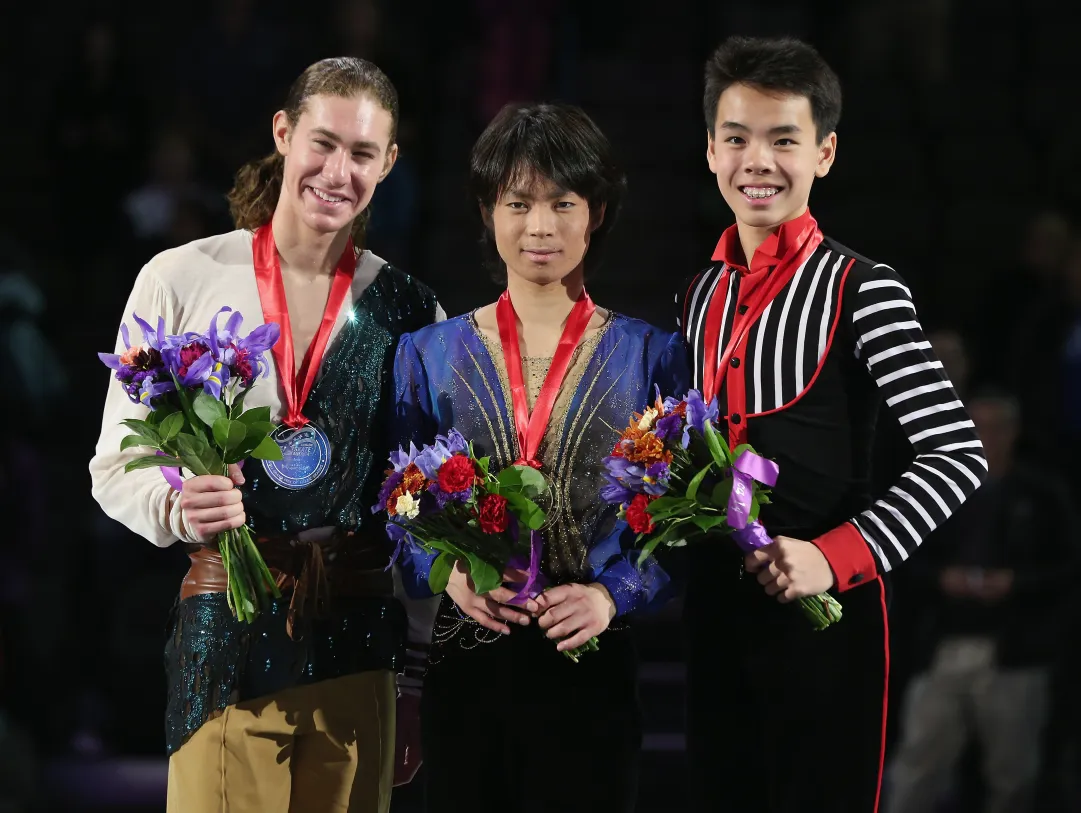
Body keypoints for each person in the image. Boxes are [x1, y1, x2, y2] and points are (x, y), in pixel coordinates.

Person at [89, 57, 441, 813]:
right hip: (226, 629)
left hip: (360, 633)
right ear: (283, 133)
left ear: (389, 163)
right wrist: (178, 504)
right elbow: (116, 462)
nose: (337, 171)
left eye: (362, 153)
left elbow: (426, 507)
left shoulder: (410, 309)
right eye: (322, 142)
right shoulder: (180, 276)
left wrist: (414, 676)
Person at [674, 36, 987, 812]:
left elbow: (957, 453)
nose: (758, 160)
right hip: (715, 617)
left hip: (829, 624)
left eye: (784, 140)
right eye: (738, 138)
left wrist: (833, 557)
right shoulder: (697, 296)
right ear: (710, 149)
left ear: (825, 153)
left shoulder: (864, 287)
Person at [391, 102, 688, 812]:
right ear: (488, 211)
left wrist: (611, 594)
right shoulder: (426, 355)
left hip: (591, 658)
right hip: (467, 654)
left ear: (597, 212)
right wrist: (451, 572)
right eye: (517, 203)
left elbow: (680, 528)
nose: (540, 227)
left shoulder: (652, 355)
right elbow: (395, 513)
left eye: (563, 202)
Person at [886, 390, 1080, 813]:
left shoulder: (1042, 494)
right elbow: (901, 557)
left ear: (1014, 432)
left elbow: (1067, 568)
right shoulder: (937, 488)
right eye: (978, 427)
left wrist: (1015, 583)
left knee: (1012, 774)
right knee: (918, 765)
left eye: (997, 427)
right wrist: (943, 579)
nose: (987, 436)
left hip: (1014, 652)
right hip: (944, 646)